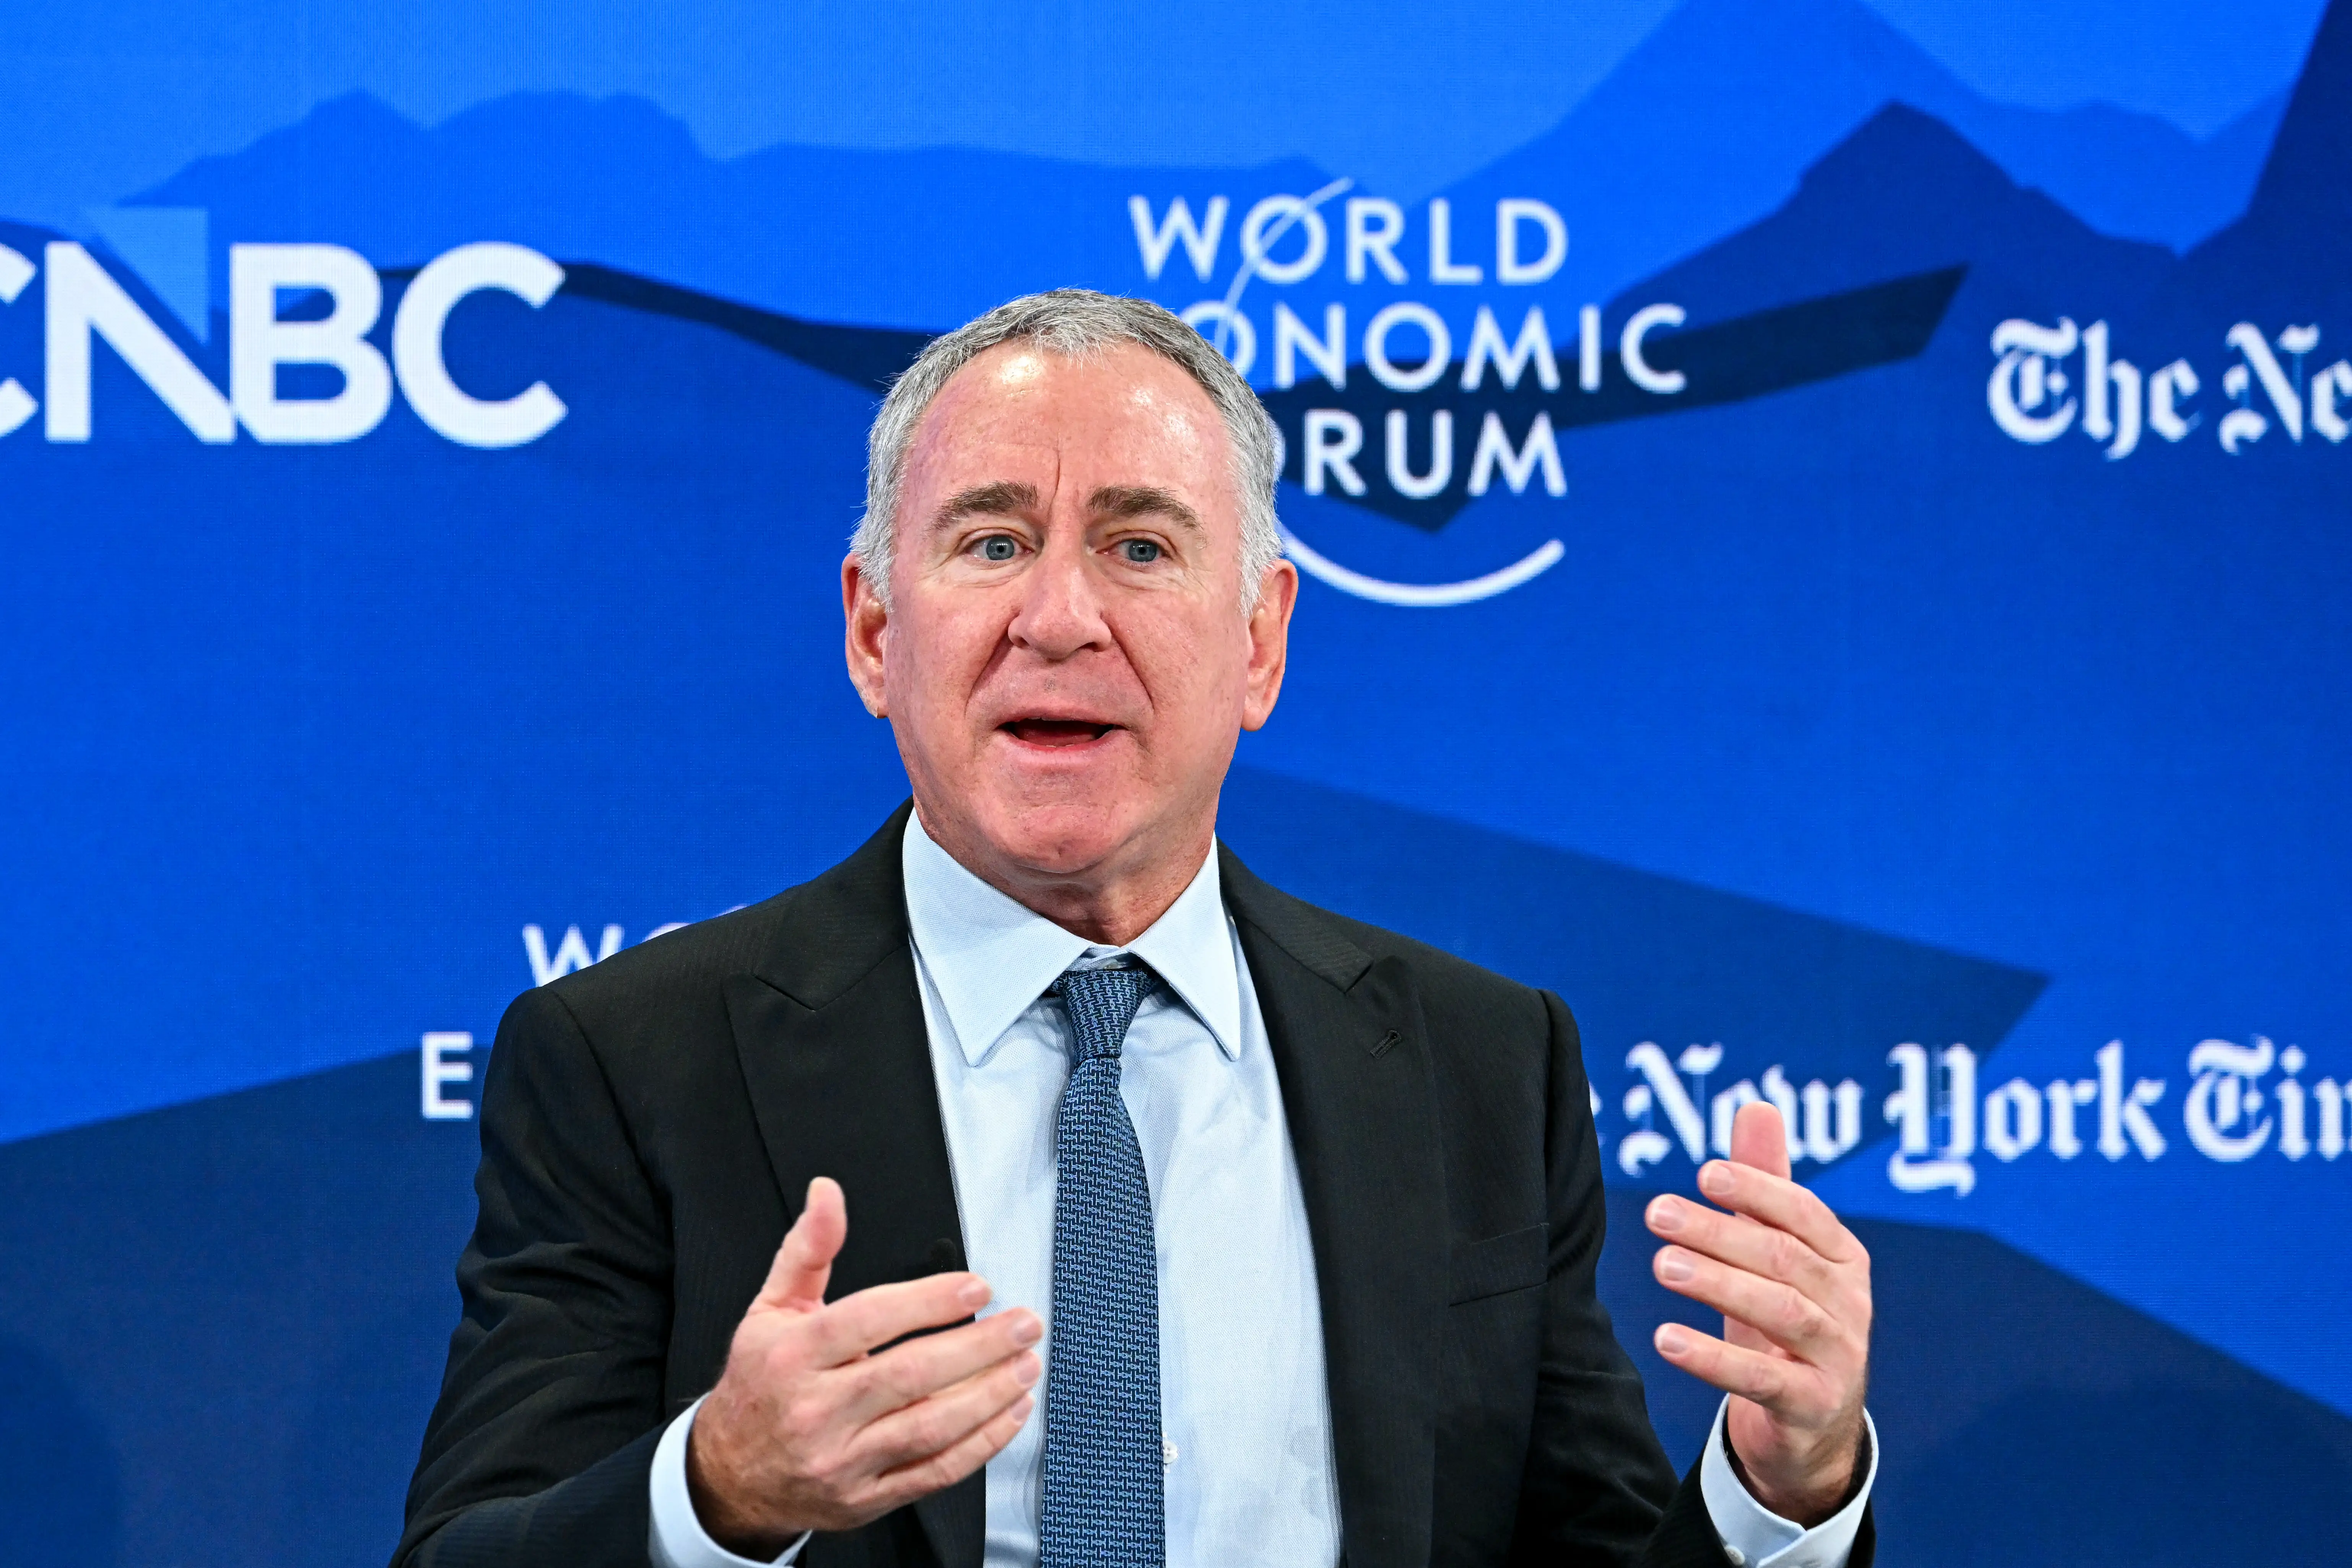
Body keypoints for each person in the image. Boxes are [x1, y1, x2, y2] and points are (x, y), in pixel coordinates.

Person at [394, 290, 1876, 1568]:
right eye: (987, 542)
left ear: (1260, 640)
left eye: (1142, 548)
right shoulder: (634, 1061)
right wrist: (716, 1489)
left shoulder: (1478, 1063)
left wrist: (1779, 1484)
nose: (1058, 616)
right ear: (870, 631)